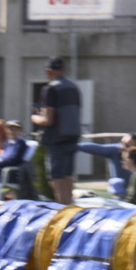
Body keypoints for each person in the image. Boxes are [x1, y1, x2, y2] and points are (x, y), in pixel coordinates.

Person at [32, 56, 81, 205]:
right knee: (67, 177)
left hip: (57, 140)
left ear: (48, 72)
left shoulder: (50, 89)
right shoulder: (74, 88)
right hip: (73, 138)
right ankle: (70, 211)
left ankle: (63, 213)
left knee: (57, 179)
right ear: (63, 70)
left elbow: (47, 120)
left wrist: (34, 117)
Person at [77, 133, 136, 200]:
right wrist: (74, 146)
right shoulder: (116, 150)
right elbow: (98, 148)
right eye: (121, 143)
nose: (121, 146)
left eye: (126, 145)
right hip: (121, 195)